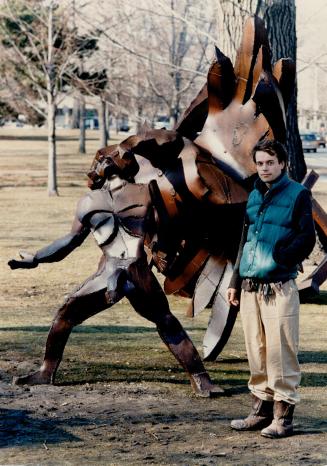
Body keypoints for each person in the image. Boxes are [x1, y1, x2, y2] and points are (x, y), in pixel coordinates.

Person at [8, 146, 222, 397]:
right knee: (166, 322)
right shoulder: (145, 192)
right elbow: (166, 230)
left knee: (65, 316)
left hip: (109, 269)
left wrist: (37, 258)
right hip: (137, 270)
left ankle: (47, 371)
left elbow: (70, 242)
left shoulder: (89, 202)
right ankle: (201, 380)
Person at [227, 139, 316, 438]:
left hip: (279, 288)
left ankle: (283, 418)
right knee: (257, 350)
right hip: (250, 287)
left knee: (281, 352)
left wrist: (279, 257)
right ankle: (260, 411)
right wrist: (234, 281)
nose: (264, 168)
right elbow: (245, 241)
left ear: (282, 164)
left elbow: (306, 239)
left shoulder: (298, 195)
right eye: (260, 163)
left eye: (270, 163)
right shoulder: (253, 195)